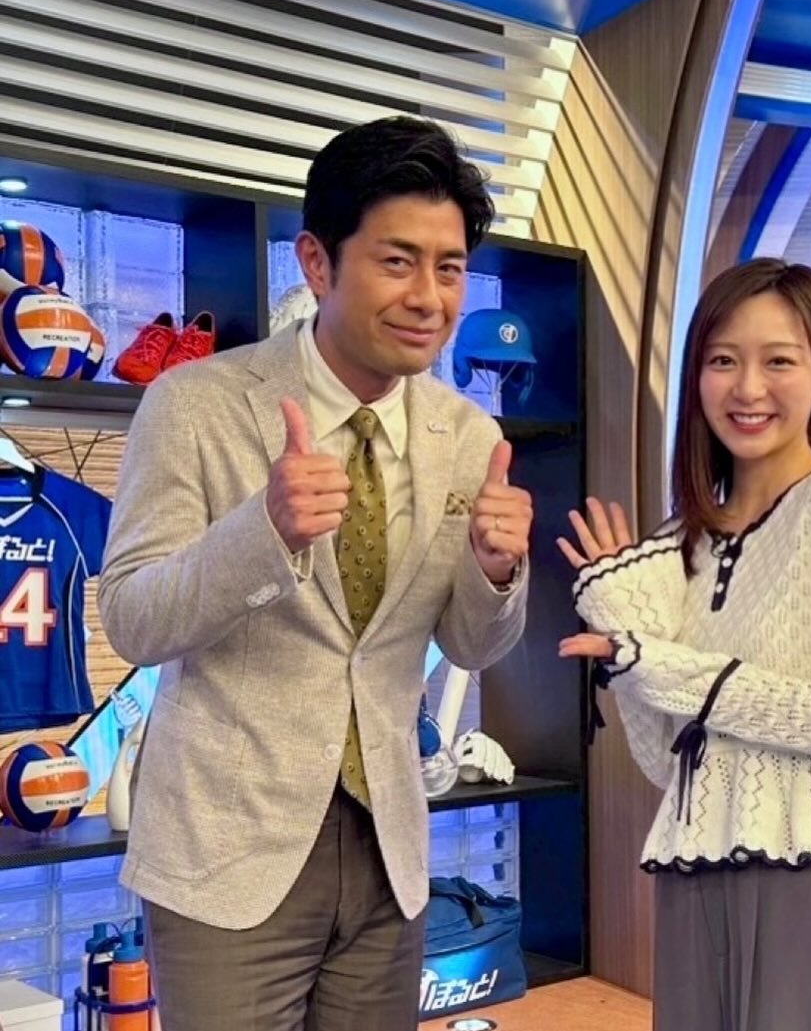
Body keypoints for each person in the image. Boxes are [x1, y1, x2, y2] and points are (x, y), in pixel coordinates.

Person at [97, 116, 532, 1031]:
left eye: (450, 268)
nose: (428, 297)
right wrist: (263, 532)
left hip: (388, 852)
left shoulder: (468, 436)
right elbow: (133, 617)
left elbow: (470, 643)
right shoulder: (196, 405)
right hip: (226, 854)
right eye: (397, 261)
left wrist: (497, 573)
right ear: (318, 263)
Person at [558, 258, 811, 1031]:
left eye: (779, 361)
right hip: (695, 879)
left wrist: (665, 664)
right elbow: (670, 761)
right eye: (723, 360)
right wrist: (623, 622)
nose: (748, 387)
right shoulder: (681, 543)